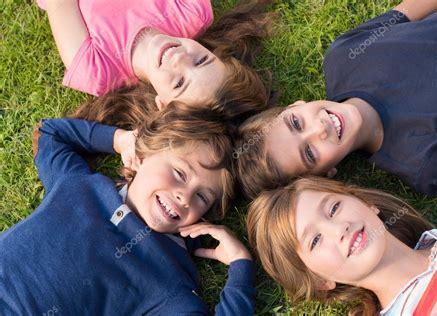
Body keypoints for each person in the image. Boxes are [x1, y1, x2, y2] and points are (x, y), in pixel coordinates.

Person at [0, 105, 255, 315]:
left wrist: (240, 267)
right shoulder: (81, 185)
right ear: (143, 156)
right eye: (179, 173)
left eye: (201, 197)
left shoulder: (169, 280)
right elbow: (50, 134)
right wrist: (121, 140)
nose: (184, 196)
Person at [234, 0, 437, 198]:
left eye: (296, 123)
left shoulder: (343, 56)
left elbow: (412, 10)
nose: (319, 128)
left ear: (296, 105)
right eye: (310, 153)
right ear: (327, 174)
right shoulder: (425, 163)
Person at [247, 176, 437, 315]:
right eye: (315, 240)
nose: (339, 228)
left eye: (334, 208)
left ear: (367, 203)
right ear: (319, 281)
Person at [36, 0, 275, 121]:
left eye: (179, 83)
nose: (180, 59)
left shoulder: (97, 69)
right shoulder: (191, 12)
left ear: (162, 104)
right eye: (202, 60)